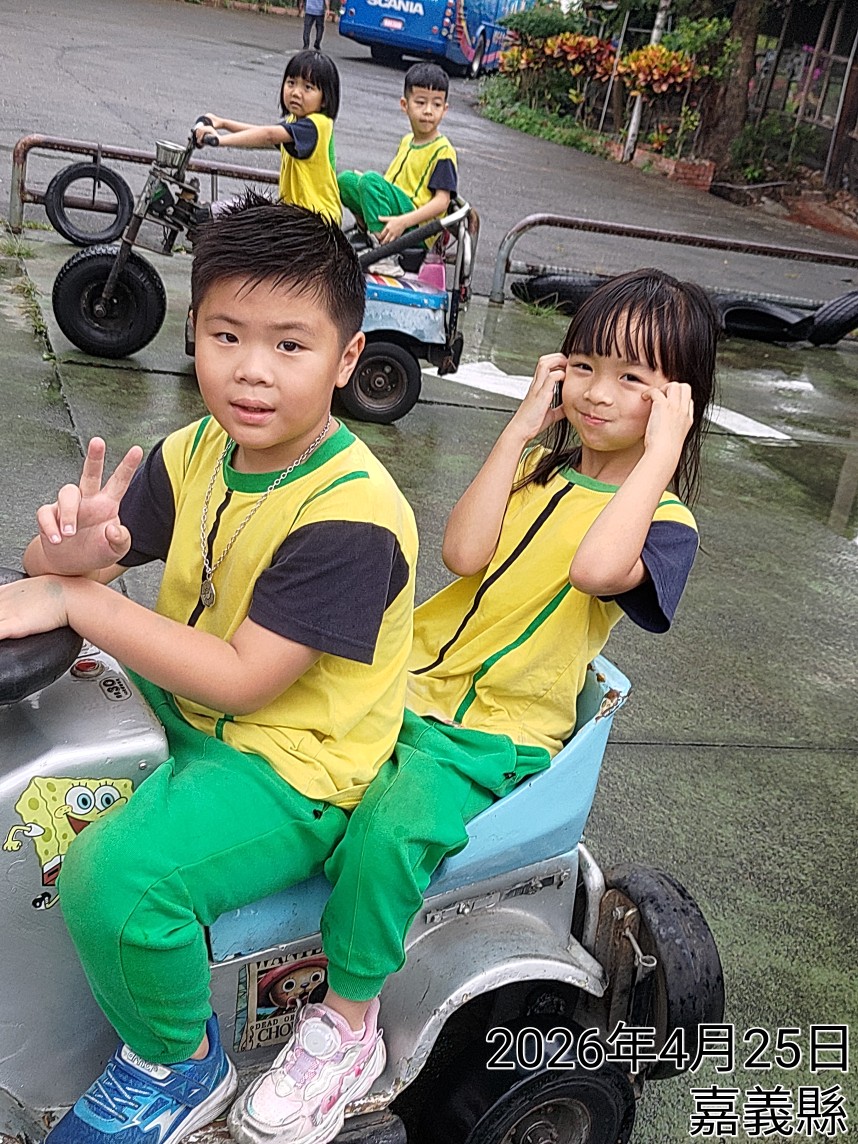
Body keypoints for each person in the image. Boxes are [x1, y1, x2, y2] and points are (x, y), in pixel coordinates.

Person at [229, 268, 720, 1144]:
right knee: (266, 741)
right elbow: (461, 551)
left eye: (633, 379)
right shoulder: (537, 469)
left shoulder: (665, 519)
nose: (597, 393)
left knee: (388, 834)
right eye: (585, 365)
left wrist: (659, 454)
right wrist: (524, 426)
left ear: (678, 401)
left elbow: (596, 571)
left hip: (492, 733)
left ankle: (346, 1024)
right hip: (402, 683)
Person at [0, 195, 419, 1144]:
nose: (251, 370)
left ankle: (178, 1060)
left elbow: (241, 680)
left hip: (290, 765)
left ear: (347, 358)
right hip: (185, 704)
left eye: (290, 345)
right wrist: (71, 554)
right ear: (193, 332)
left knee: (118, 879)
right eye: (227, 335)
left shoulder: (352, 514)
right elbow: (57, 574)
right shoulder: (198, 450)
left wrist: (82, 601)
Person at [194, 51, 342, 224]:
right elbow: (260, 133)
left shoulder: (316, 125)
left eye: (308, 87)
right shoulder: (295, 122)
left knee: (243, 219)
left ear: (324, 99)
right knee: (246, 209)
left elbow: (268, 136)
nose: (296, 92)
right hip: (297, 216)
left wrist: (219, 140)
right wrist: (222, 123)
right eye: (291, 83)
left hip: (317, 222)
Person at [338, 62, 457, 256]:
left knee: (369, 180)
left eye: (436, 104)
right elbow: (392, 183)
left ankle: (382, 248)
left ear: (444, 109)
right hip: (395, 208)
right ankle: (364, 231)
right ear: (405, 105)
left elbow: (442, 202)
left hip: (416, 226)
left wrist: (403, 221)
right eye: (420, 103)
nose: (428, 111)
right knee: (346, 180)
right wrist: (367, 184)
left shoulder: (443, 150)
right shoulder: (407, 140)